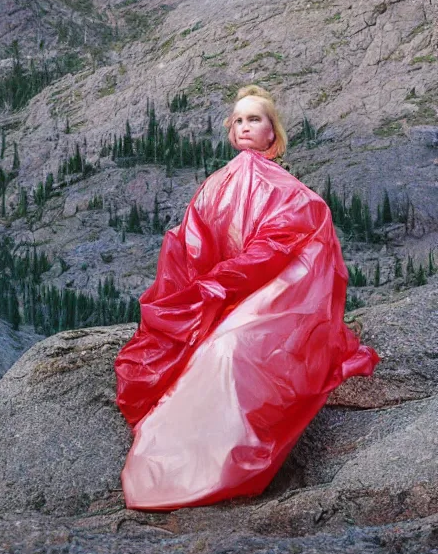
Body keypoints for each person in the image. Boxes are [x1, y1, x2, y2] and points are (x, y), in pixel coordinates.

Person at [114, 85, 379, 511]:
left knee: (231, 351)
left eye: (254, 118)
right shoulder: (217, 185)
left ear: (273, 131)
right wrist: (206, 290)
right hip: (233, 295)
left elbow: (287, 241)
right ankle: (182, 471)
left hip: (275, 295)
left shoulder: (286, 188)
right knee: (212, 355)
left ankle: (223, 469)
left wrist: (222, 282)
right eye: (238, 120)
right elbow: (192, 246)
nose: (244, 126)